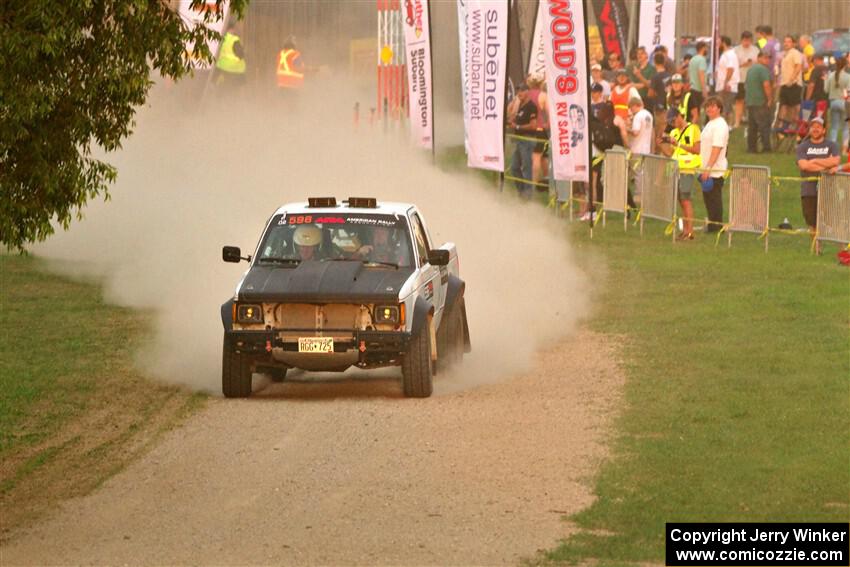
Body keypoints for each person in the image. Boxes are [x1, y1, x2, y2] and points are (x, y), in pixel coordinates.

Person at [796, 117, 840, 252]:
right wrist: (825, 165)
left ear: (824, 130)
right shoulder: (803, 146)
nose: (815, 129)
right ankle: (817, 248)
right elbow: (803, 165)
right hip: (808, 190)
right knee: (812, 222)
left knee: (833, 219)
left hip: (828, 188)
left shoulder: (832, 145)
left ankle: (842, 248)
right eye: (813, 126)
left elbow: (836, 161)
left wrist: (813, 161)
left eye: (818, 126)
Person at [658, 108, 701, 239]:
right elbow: (672, 154)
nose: (672, 123)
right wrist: (661, 145)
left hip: (687, 168)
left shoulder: (693, 129)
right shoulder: (674, 132)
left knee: (686, 199)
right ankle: (685, 229)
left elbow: (696, 150)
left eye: (673, 120)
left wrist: (679, 144)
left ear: (679, 116)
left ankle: (690, 231)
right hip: (676, 168)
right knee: (680, 200)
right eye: (670, 122)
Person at [586, 101, 625, 220]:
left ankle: (592, 212)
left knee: (591, 184)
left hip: (595, 156)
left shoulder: (592, 124)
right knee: (592, 184)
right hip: (596, 154)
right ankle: (590, 210)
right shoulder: (597, 122)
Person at [698, 97, 730, 233]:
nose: (709, 109)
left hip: (715, 169)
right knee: (708, 198)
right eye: (708, 106)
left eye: (713, 106)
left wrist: (709, 167)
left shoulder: (720, 125)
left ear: (719, 108)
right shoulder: (710, 124)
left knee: (714, 198)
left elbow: (717, 147)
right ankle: (712, 224)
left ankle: (717, 226)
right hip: (706, 168)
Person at [509, 83, 538, 199]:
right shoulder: (520, 104)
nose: (519, 93)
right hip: (519, 140)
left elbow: (533, 126)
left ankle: (528, 193)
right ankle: (521, 191)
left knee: (526, 167)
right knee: (514, 167)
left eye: (521, 90)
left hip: (527, 139)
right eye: (518, 91)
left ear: (527, 91)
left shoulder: (531, 106)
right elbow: (513, 116)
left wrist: (517, 127)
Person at [745, 51, 774, 153]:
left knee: (752, 126)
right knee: (764, 126)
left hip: (750, 101)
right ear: (759, 58)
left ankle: (751, 148)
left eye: (769, 58)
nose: (767, 60)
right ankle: (766, 148)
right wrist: (770, 99)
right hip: (760, 101)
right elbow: (766, 84)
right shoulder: (763, 70)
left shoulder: (751, 69)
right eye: (765, 58)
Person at [734, 31, 760, 127]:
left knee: (752, 101)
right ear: (741, 40)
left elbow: (759, 62)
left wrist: (752, 63)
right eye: (745, 40)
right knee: (739, 100)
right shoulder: (736, 50)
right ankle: (737, 121)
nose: (747, 42)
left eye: (749, 40)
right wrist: (743, 64)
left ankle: (752, 121)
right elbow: (732, 65)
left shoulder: (755, 50)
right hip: (740, 78)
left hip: (752, 79)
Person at [778, 35, 804, 125]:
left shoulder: (795, 53)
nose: (786, 43)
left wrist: (792, 78)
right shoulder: (785, 54)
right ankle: (781, 126)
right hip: (784, 84)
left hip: (794, 84)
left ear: (793, 44)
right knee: (784, 105)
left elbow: (798, 66)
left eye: (788, 42)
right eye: (785, 41)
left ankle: (794, 125)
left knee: (794, 106)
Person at [715, 36, 740, 126]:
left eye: (719, 41)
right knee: (724, 106)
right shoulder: (725, 54)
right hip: (723, 84)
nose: (717, 44)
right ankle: (726, 125)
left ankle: (728, 125)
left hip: (728, 86)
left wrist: (726, 83)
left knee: (725, 107)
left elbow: (730, 69)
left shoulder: (730, 54)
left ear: (724, 42)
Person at [826, 54, 850, 146]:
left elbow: (826, 90)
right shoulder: (848, 77)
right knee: (845, 128)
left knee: (834, 127)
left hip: (833, 102)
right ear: (845, 65)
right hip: (844, 103)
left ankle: (832, 147)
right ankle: (844, 147)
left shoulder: (831, 75)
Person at [215, 22, 246, 87]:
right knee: (233, 90)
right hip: (235, 70)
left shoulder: (219, 38)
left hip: (222, 68)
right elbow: (241, 54)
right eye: (234, 29)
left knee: (224, 88)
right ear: (231, 29)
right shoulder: (234, 39)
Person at [648, 51, 671, 140]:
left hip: (659, 107)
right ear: (664, 62)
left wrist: (655, 94)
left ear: (654, 62)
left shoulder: (655, 77)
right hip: (668, 105)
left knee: (659, 130)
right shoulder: (669, 75)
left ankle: (659, 150)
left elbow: (650, 93)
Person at [805, 54, 829, 120]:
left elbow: (811, 86)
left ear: (816, 59)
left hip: (816, 100)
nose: (813, 63)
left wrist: (807, 100)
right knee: (822, 119)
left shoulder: (816, 70)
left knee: (814, 119)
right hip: (826, 99)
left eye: (813, 61)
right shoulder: (828, 70)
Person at [688, 41, 709, 110]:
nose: (707, 50)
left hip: (691, 88)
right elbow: (701, 74)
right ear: (703, 48)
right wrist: (704, 90)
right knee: (701, 111)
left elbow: (689, 75)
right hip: (698, 90)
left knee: (694, 111)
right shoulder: (702, 60)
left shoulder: (692, 59)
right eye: (706, 48)